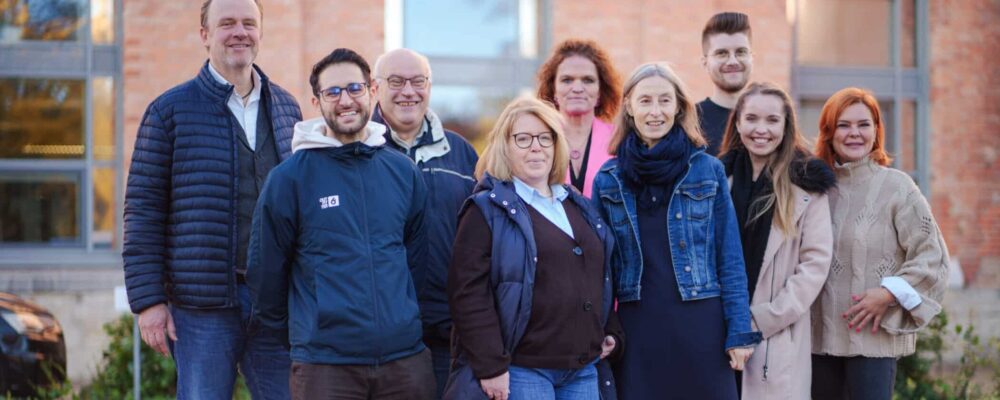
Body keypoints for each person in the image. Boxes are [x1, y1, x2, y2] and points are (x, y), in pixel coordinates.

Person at [122, 0, 301, 397]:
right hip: (202, 309)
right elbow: (143, 210)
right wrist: (148, 301)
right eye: (227, 23)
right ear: (205, 35)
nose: (240, 32)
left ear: (260, 32)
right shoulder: (169, 112)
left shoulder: (288, 108)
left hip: (275, 303)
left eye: (248, 23)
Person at [246, 48, 434, 400]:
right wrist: (308, 334)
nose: (345, 100)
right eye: (332, 92)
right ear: (316, 102)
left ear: (371, 92)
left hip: (404, 362)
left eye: (354, 88)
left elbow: (416, 263)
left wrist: (400, 319)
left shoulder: (402, 172)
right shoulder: (290, 179)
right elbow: (266, 273)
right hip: (326, 368)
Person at [591, 62, 761, 400]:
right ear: (629, 107)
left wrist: (739, 330)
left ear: (679, 107)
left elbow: (729, 256)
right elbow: (597, 268)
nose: (656, 111)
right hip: (637, 328)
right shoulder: (608, 179)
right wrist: (597, 327)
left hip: (702, 327)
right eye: (645, 101)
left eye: (665, 101)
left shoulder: (707, 170)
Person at [445, 97, 623, 400]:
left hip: (582, 368)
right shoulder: (486, 209)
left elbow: (598, 274)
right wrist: (490, 366)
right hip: (523, 369)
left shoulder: (577, 204)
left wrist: (610, 329)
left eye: (545, 137)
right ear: (505, 146)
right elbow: (468, 294)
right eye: (523, 139)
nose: (536, 146)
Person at [810, 87, 949, 400]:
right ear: (829, 133)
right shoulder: (813, 188)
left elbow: (932, 256)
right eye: (844, 125)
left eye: (864, 124)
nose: (854, 133)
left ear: (876, 130)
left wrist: (889, 294)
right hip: (814, 341)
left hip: (873, 342)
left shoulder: (897, 187)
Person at [370, 48, 480, 398]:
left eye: (418, 81)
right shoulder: (359, 150)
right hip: (380, 332)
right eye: (396, 81)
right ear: (375, 88)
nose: (408, 91)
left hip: (449, 329)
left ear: (429, 87)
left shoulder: (462, 153)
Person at [717, 82, 835, 399]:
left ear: (786, 126)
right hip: (716, 334)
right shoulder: (714, 180)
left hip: (774, 337)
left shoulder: (807, 188)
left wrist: (759, 320)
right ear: (738, 122)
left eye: (772, 120)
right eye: (752, 119)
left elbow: (814, 266)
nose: (761, 129)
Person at [537, 39, 623, 197]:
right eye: (567, 80)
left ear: (600, 92)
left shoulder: (620, 139)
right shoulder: (535, 139)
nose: (577, 88)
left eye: (588, 80)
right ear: (554, 90)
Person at [697, 12, 754, 156]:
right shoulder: (690, 121)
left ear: (752, 58)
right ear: (705, 63)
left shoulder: (771, 118)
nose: (733, 61)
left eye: (741, 52)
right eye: (722, 53)